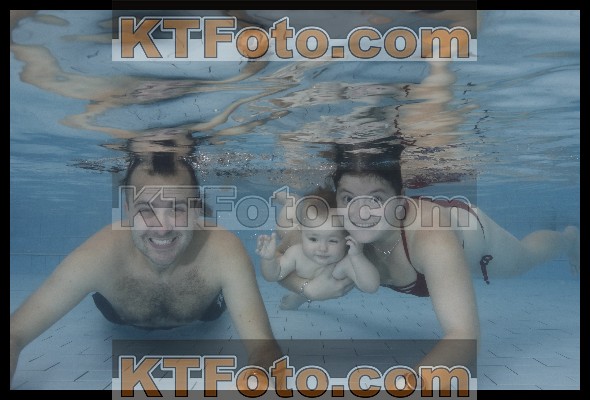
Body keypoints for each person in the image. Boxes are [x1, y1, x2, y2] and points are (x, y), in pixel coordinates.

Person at [280, 142, 580, 387]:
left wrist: (402, 390)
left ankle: (569, 238)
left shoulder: (431, 239)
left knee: (524, 259)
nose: (361, 212)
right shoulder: (333, 224)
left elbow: (464, 337)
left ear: (399, 200)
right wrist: (306, 289)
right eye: (348, 199)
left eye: (376, 199)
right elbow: (284, 264)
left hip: (472, 238)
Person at [10, 151, 281, 386]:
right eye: (146, 210)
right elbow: (14, 334)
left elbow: (263, 348)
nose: (162, 228)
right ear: (128, 210)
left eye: (177, 208)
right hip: (120, 316)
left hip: (203, 313)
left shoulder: (223, 250)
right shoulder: (98, 255)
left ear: (196, 209)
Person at [256, 197, 380, 310]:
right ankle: (290, 201)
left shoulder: (345, 262)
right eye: (313, 239)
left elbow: (371, 287)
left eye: (333, 241)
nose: (322, 248)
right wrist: (269, 259)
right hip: (293, 236)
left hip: (309, 232)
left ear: (347, 238)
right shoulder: (296, 253)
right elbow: (274, 275)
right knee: (284, 227)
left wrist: (358, 256)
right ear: (302, 232)